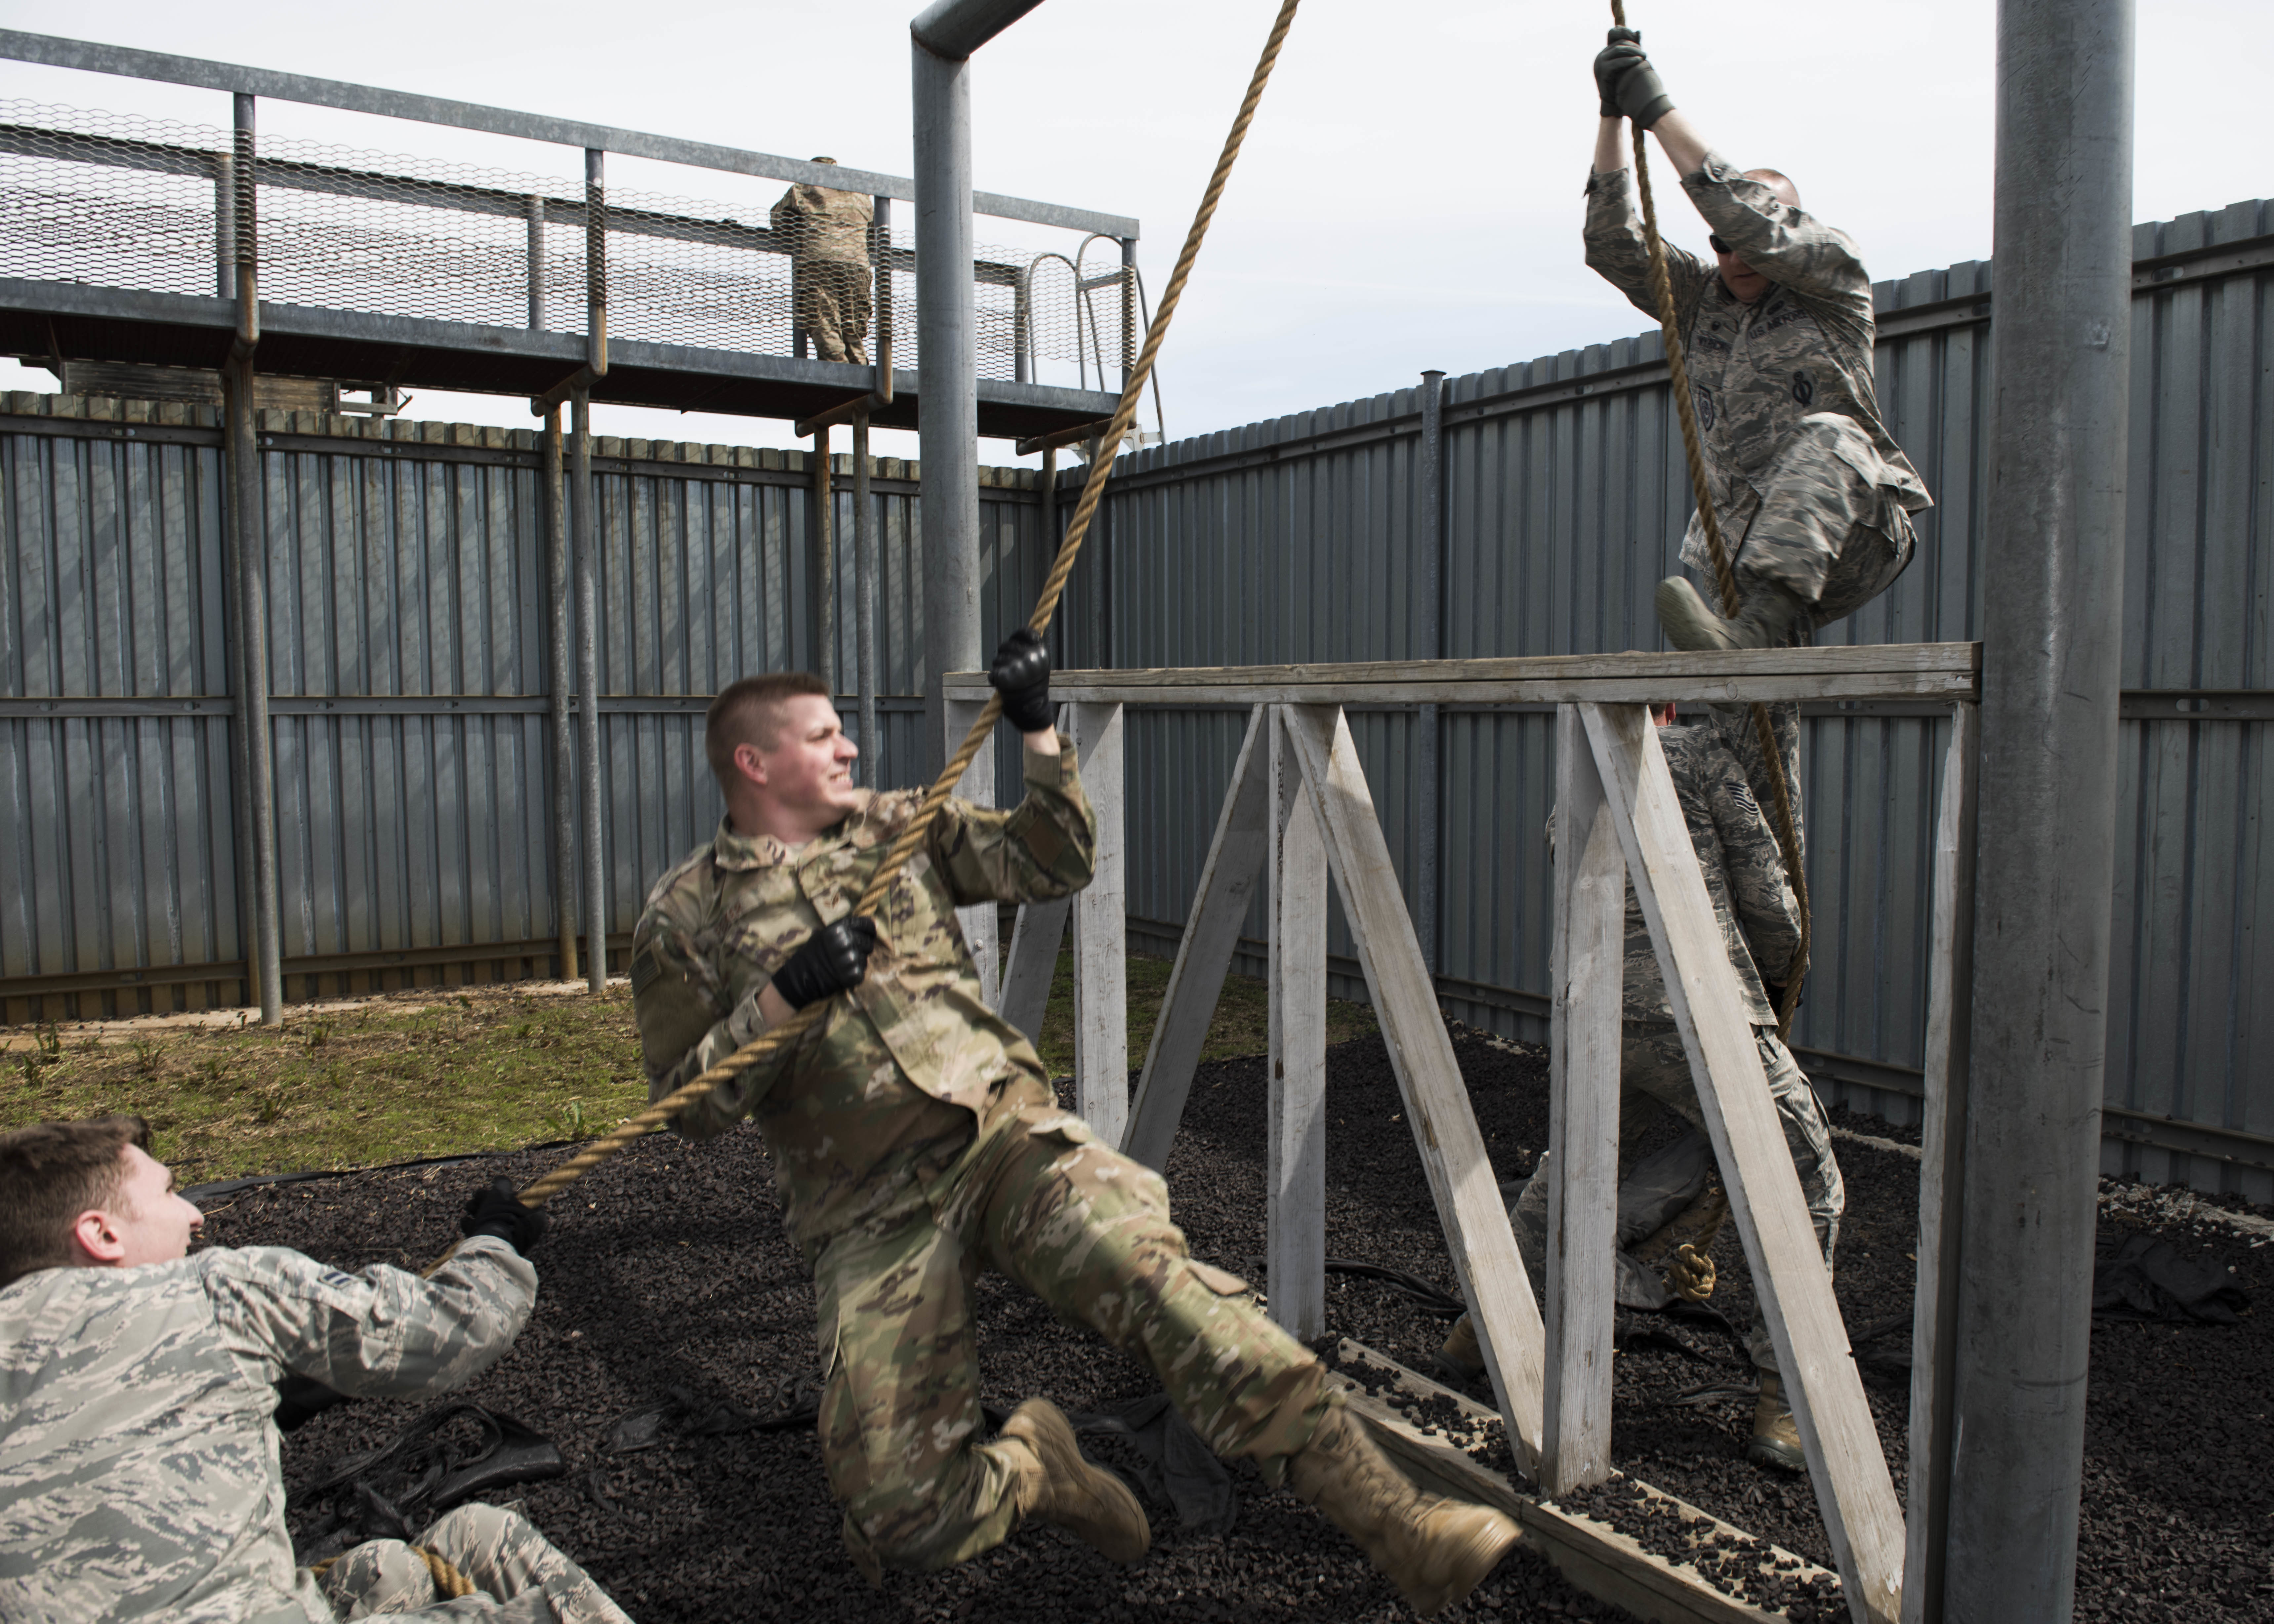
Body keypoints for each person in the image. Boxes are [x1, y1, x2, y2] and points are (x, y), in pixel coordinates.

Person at [630, 634, 1518, 1615]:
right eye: (824, 735)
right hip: (870, 1211)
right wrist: (780, 1002)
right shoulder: (687, 915)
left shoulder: (900, 828)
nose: (849, 749)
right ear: (756, 762)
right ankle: (1042, 1469)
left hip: (1000, 1139)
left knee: (1167, 1288)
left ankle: (1403, 1526)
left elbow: (1056, 860)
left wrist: (1040, 730)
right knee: (899, 1512)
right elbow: (687, 1107)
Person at [0, 1115, 632, 1623]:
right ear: (101, 1234)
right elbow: (454, 1327)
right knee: (512, 1569)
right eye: (167, 1192)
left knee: (402, 1561)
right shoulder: (213, 1291)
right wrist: (496, 1239)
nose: (195, 1212)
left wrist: (283, 1398)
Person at [1438, 702, 1841, 1472]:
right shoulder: (1696, 755)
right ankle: (1785, 1395)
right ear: (1668, 710)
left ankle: (1476, 1328)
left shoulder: (1575, 779)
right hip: (1693, 1010)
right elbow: (1769, 897)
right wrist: (1784, 974)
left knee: (1571, 1169)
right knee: (1805, 1175)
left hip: (1598, 1011)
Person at [1587, 29, 1932, 654]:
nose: (1735, 255)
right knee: (1738, 737)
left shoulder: (1830, 279)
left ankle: (1755, 629)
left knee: (1829, 433)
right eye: (1720, 243)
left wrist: (1657, 110)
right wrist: (1612, 119)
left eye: (1747, 239)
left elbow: (1749, 220)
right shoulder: (1698, 301)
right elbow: (1612, 243)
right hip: (1743, 563)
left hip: (1856, 531)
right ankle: (1741, 664)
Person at [771, 157, 875, 364]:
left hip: (820, 262)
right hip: (858, 267)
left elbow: (778, 220)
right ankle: (862, 380)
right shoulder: (860, 193)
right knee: (853, 333)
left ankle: (840, 383)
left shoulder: (804, 186)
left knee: (826, 326)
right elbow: (872, 233)